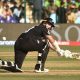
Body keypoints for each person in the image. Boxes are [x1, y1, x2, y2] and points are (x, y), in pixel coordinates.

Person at [0, 18, 64, 73]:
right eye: (50, 24)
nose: (50, 27)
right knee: (45, 43)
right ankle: (39, 68)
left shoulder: (37, 28)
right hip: (26, 42)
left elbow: (47, 45)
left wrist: (57, 50)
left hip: (19, 43)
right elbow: (51, 40)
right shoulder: (43, 27)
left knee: (16, 67)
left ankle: (1, 62)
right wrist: (59, 50)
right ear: (44, 22)